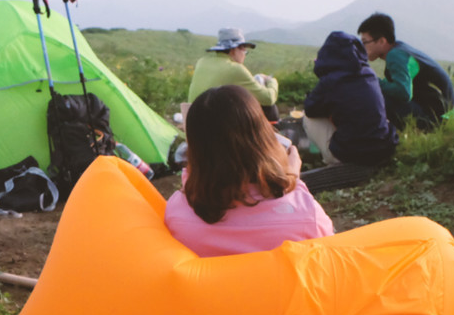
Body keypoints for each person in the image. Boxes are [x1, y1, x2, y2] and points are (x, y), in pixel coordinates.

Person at [165, 85, 333, 257]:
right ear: (264, 139)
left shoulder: (176, 213)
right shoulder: (307, 217)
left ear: (194, 149)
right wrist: (292, 181)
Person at [303, 31, 399, 167]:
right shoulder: (369, 74)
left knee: (309, 119)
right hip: (383, 149)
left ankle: (332, 159)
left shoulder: (331, 80)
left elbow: (310, 109)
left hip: (352, 153)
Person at [357, 13, 454, 131]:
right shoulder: (400, 50)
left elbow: (403, 92)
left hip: (437, 119)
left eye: (365, 42)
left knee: (375, 94)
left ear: (382, 41)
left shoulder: (396, 55)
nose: (362, 47)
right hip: (446, 114)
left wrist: (373, 81)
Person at [187, 27, 280, 122]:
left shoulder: (202, 62)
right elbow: (268, 99)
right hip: (215, 128)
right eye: (244, 50)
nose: (244, 55)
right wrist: (271, 81)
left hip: (193, 125)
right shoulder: (235, 69)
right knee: (270, 109)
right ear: (234, 50)